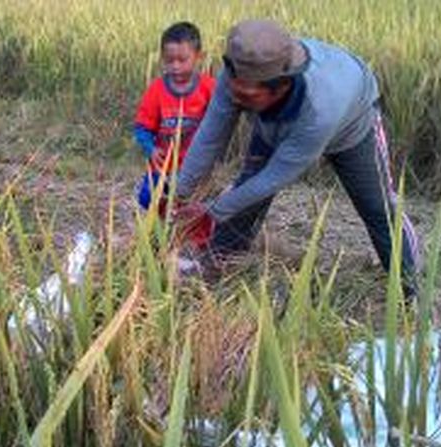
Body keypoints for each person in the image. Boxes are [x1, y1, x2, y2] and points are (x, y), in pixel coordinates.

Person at [173, 19, 420, 295]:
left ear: (279, 88)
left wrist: (211, 211)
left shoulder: (321, 109)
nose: (237, 97)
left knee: (378, 209)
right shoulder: (236, 77)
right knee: (246, 192)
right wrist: (179, 195)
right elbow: (210, 136)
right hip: (277, 120)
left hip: (353, 123)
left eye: (248, 95)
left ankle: (411, 290)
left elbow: (273, 179)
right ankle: (217, 264)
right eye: (235, 88)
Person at [133, 21, 216, 211]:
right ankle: (158, 233)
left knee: (194, 207)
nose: (175, 66)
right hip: (162, 167)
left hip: (196, 168)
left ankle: (186, 233)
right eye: (169, 60)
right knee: (147, 199)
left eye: (182, 60)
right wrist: (151, 149)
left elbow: (221, 124)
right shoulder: (156, 90)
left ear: (199, 57)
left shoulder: (210, 87)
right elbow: (142, 128)